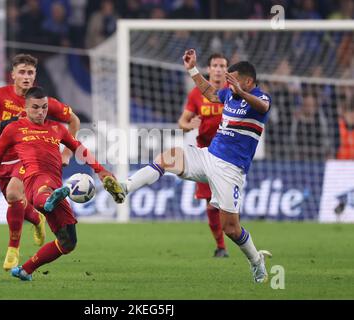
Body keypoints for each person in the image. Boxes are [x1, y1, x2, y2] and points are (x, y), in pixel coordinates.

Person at [103, 49, 273, 283]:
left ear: (248, 81)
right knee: (169, 156)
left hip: (230, 170)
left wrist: (242, 92)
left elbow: (263, 108)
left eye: (232, 79)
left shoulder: (261, 99)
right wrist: (192, 69)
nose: (228, 82)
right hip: (208, 157)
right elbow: (210, 93)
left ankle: (256, 261)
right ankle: (125, 187)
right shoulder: (229, 95)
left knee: (231, 229)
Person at [0, 86, 115, 281]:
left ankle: (24, 270)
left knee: (68, 242)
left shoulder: (57, 128)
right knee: (43, 192)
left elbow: (80, 148)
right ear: (25, 108)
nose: (40, 112)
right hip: (34, 179)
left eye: (44, 108)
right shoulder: (14, 129)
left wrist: (101, 170)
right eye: (35, 108)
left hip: (55, 183)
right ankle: (50, 198)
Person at [0, 54, 81, 271]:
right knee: (16, 203)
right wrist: (6, 123)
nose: (26, 77)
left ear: (35, 76)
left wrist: (67, 153)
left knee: (14, 194)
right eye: (21, 72)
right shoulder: (0, 96)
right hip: (4, 160)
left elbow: (73, 120)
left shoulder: (41, 101)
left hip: (30, 159)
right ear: (12, 74)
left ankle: (13, 250)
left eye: (30, 72)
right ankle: (36, 219)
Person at [178, 53, 229, 258]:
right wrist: (189, 125)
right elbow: (182, 122)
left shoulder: (232, 93)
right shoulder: (196, 94)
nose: (218, 69)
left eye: (222, 65)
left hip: (227, 153)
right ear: (208, 69)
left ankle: (237, 239)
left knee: (226, 204)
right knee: (210, 203)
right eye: (215, 65)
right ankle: (221, 246)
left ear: (227, 70)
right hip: (205, 153)